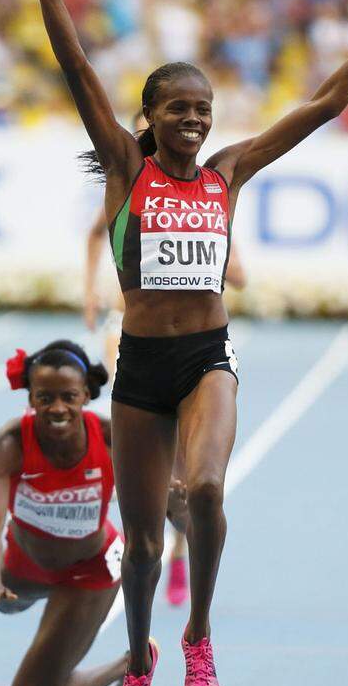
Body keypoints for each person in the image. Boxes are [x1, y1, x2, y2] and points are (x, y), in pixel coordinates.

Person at [17, 0, 348, 686]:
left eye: (204, 111)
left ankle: (198, 637)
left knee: (206, 489)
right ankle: (137, 666)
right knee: (138, 549)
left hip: (208, 356)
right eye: (178, 109)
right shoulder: (127, 170)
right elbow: (74, 61)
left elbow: (325, 104)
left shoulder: (230, 173)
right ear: (148, 116)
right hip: (140, 372)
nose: (195, 122)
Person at [84, 113, 247, 610]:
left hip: (199, 344)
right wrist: (92, 289)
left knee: (194, 473)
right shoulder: (126, 180)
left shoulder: (210, 192)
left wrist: (212, 255)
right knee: (159, 470)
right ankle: (162, 532)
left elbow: (237, 275)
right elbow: (96, 235)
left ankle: (180, 544)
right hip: (130, 333)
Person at [0, 340, 128, 686]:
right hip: (26, 563)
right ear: (30, 396)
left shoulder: (113, 439)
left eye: (68, 397)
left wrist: (179, 501)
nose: (57, 408)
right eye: (45, 398)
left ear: (87, 395)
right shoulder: (5, 445)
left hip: (88, 571)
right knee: (4, 605)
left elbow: (156, 507)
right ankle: (23, 595)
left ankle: (131, 664)